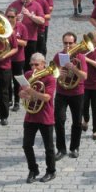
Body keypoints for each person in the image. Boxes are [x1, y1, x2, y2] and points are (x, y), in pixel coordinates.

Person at [20, 52, 57, 184]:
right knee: (26, 145)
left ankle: (51, 171)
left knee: (49, 147)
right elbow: (20, 93)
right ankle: (33, 170)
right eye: (32, 65)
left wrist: (31, 92)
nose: (34, 68)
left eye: (37, 65)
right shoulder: (28, 75)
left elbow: (46, 98)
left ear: (43, 64)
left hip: (45, 116)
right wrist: (24, 94)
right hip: (30, 115)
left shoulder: (50, 78)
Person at [53, 32, 88, 161]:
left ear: (75, 43)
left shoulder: (80, 57)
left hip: (77, 93)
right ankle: (61, 149)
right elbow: (52, 74)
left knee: (77, 122)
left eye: (70, 43)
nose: (68, 46)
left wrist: (73, 68)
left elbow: (84, 76)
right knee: (58, 120)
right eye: (65, 43)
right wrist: (58, 74)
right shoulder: (58, 56)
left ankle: (74, 148)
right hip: (61, 93)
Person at [8, 0, 46, 71]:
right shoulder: (14, 4)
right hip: (16, 38)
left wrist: (30, 15)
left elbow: (42, 21)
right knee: (15, 63)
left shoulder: (36, 5)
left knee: (29, 64)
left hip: (31, 39)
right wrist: (14, 19)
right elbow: (6, 19)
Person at [7, 7, 28, 112]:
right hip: (6, 58)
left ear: (16, 17)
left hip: (18, 58)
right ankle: (9, 99)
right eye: (8, 17)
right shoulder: (3, 27)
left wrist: (13, 38)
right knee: (7, 80)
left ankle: (16, 101)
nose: (10, 19)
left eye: (12, 17)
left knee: (17, 81)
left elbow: (24, 43)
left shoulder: (22, 27)